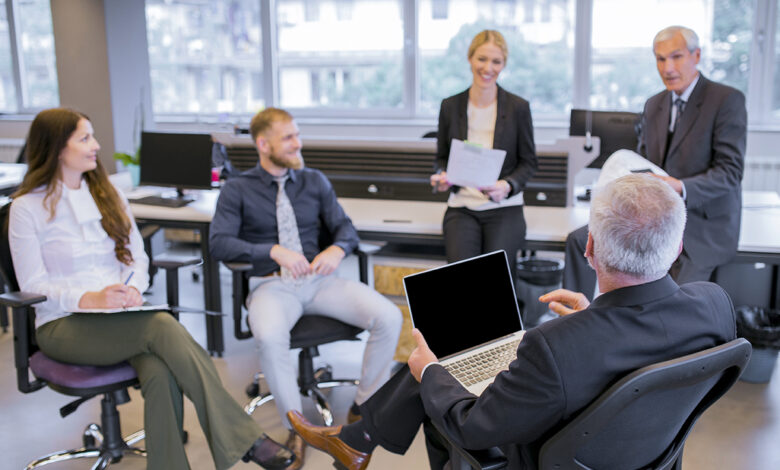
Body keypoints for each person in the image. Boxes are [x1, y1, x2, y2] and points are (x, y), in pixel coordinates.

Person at [285, 174, 736, 470]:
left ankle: (361, 436)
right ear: (677, 248)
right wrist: (594, 317)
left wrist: (430, 374)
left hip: (546, 457)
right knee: (448, 367)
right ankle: (359, 438)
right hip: (648, 454)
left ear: (590, 249)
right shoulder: (714, 305)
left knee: (437, 388)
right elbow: (642, 335)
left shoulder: (554, 346)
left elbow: (472, 425)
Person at [8, 108, 294, 470]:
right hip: (63, 324)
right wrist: (90, 298)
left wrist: (132, 287)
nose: (96, 146)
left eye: (93, 136)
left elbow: (137, 258)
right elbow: (32, 283)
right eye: (84, 139)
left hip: (121, 317)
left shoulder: (107, 192)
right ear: (56, 149)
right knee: (160, 325)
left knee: (159, 369)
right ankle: (246, 439)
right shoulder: (27, 208)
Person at [209, 107, 402, 470]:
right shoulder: (237, 189)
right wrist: (270, 250)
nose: (298, 143)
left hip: (320, 282)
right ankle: (297, 426)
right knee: (268, 337)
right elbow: (218, 244)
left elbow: (346, 229)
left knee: (389, 316)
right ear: (263, 144)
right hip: (272, 285)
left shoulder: (314, 181)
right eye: (288, 138)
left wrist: (336, 248)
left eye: (297, 135)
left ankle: (364, 406)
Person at [563, 25, 747, 299]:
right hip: (654, 218)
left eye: (676, 57)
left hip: (700, 227)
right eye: (660, 59)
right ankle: (578, 322)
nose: (668, 67)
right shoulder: (654, 105)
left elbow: (730, 172)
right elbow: (644, 162)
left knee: (668, 299)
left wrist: (680, 186)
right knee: (581, 240)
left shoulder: (726, 100)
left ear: (696, 56)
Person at [430, 29, 537, 282]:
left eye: (496, 61)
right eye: (481, 59)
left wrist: (507, 185)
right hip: (462, 207)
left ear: (503, 65)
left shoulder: (518, 108)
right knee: (461, 280)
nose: (488, 67)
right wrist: (441, 176)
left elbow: (529, 161)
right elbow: (441, 158)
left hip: (503, 207)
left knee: (494, 281)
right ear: (470, 59)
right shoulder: (450, 105)